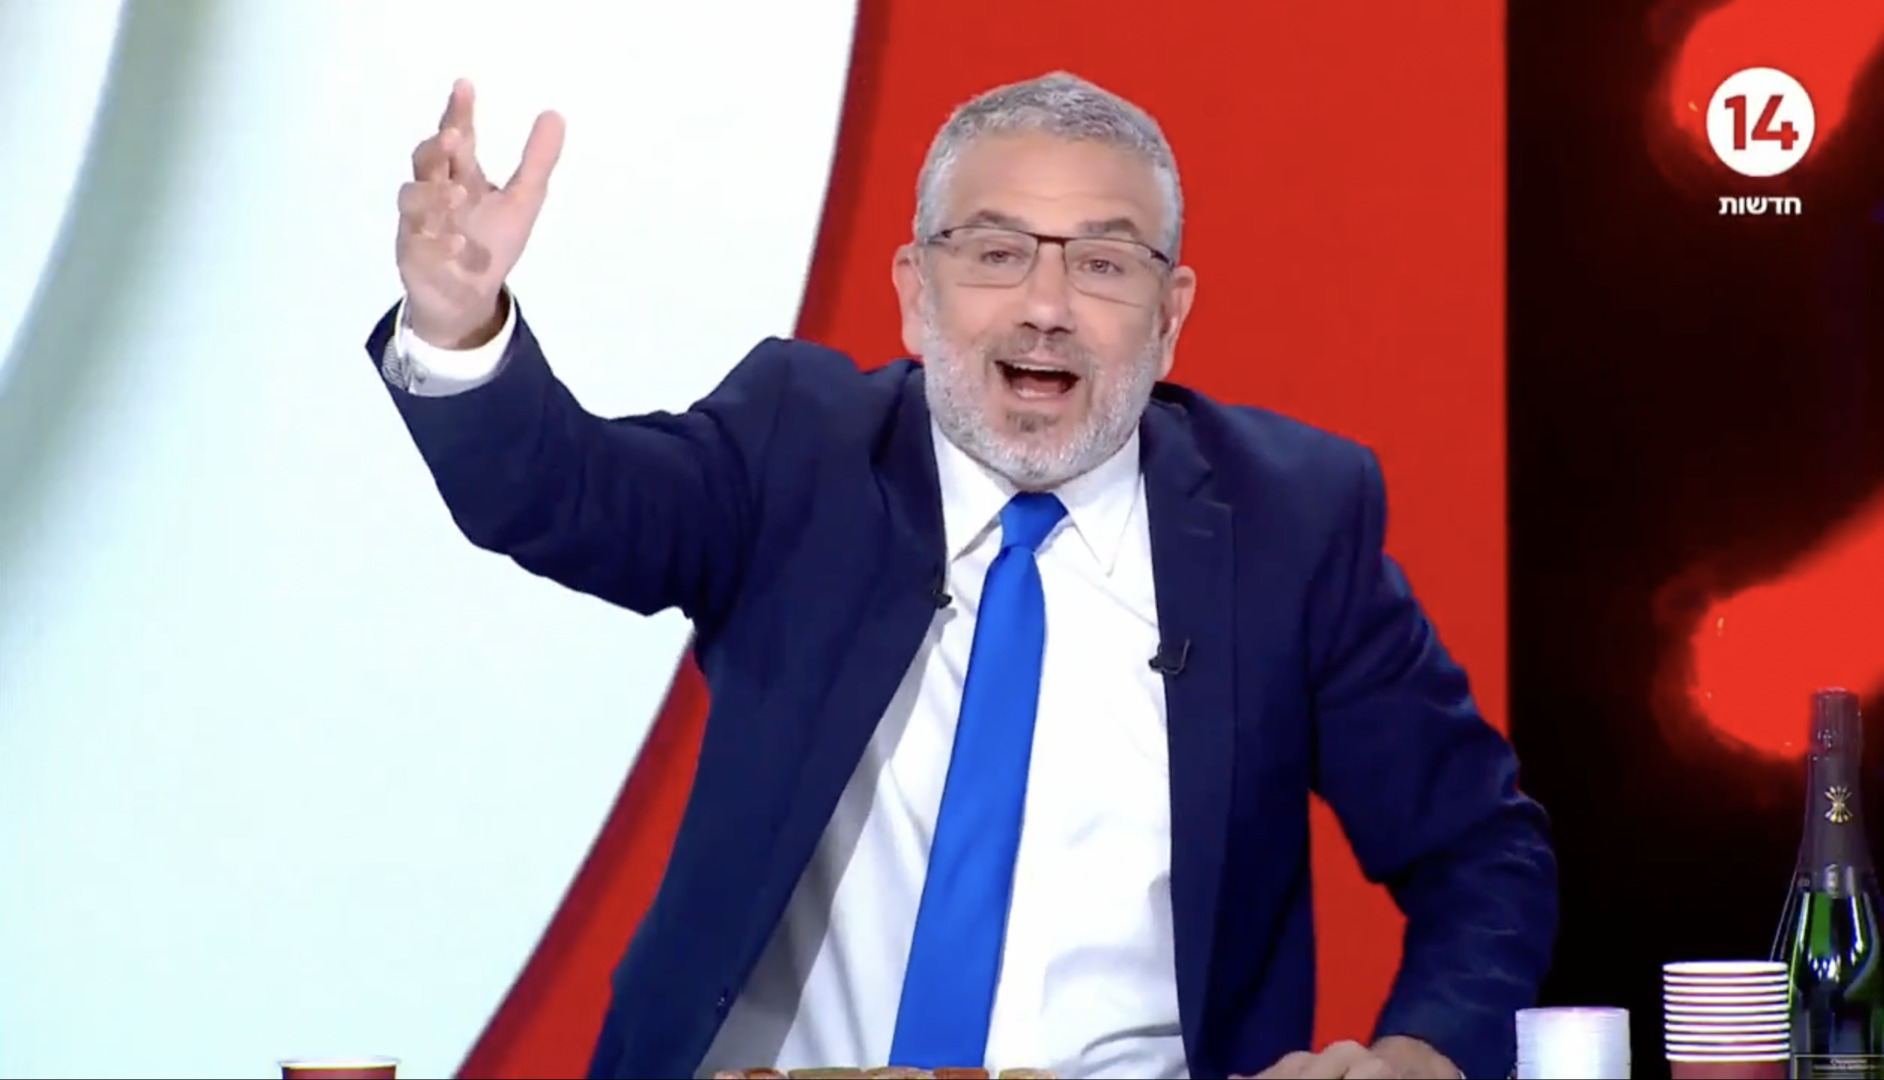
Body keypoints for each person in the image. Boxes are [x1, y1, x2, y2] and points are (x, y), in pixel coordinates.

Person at [369, 71, 1558, 1080]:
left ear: (1170, 316)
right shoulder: (800, 448)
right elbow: (567, 495)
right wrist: (459, 327)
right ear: (913, 293)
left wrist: (1425, 1056)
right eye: (995, 253)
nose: (1044, 308)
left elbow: (1479, 853)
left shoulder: (1286, 523)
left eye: (1103, 264)